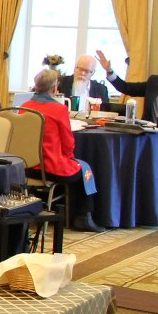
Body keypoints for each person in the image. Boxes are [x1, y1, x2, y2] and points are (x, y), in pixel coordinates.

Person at [20, 69, 102, 232]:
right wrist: (70, 159)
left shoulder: (24, 107)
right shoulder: (59, 110)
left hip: (27, 168)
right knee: (85, 169)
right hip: (51, 167)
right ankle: (83, 216)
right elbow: (68, 143)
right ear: (54, 88)